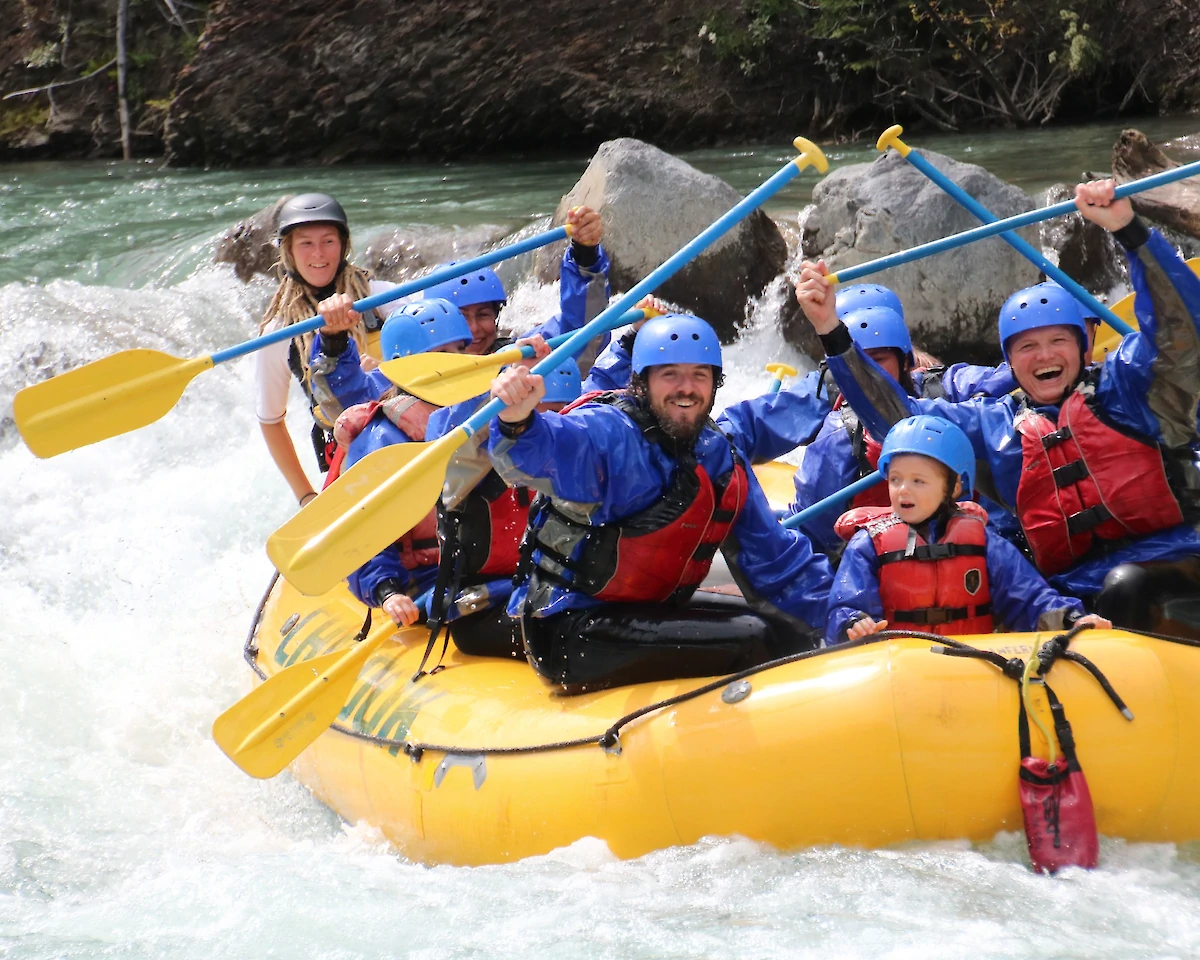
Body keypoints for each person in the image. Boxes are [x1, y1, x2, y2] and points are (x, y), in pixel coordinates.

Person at [796, 179, 1200, 637]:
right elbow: (900, 420)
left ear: (1085, 347)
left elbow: (1181, 327)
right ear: (1009, 361)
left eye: (1057, 342)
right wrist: (830, 328)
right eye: (1028, 347)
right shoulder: (996, 427)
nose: (1044, 356)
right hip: (1066, 591)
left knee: (1127, 586)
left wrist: (1129, 230)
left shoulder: (1133, 389)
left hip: (1176, 558)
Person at [487, 314, 833, 694]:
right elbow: (543, 451)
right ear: (642, 382)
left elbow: (778, 563)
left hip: (649, 609)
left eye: (700, 375)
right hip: (570, 627)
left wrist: (842, 615)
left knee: (786, 631)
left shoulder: (718, 457)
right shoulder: (609, 434)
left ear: (715, 384)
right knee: (753, 638)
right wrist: (517, 422)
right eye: (670, 374)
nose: (687, 388)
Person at [827, 415, 1111, 644]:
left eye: (918, 481)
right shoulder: (868, 545)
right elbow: (846, 603)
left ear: (955, 487)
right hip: (900, 670)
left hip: (972, 666)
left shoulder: (984, 544)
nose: (903, 490)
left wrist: (1072, 620)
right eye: (895, 479)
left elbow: (1029, 597)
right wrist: (852, 622)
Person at [788, 284, 1017, 558]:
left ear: (905, 360)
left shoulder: (947, 388)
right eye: (863, 364)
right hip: (883, 566)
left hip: (969, 559)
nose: (871, 372)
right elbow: (813, 533)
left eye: (880, 360)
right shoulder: (838, 433)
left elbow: (1002, 378)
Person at [421, 352, 580, 660]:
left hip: (553, 592)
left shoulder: (578, 452)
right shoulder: (468, 470)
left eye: (565, 414)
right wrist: (498, 393)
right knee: (574, 632)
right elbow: (456, 435)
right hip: (482, 610)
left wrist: (629, 343)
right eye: (538, 415)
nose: (553, 427)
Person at [254, 193, 395, 508]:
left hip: (410, 433)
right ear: (288, 250)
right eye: (305, 243)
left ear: (343, 245)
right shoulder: (279, 332)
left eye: (328, 241)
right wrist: (306, 496)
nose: (318, 254)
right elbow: (270, 420)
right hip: (349, 459)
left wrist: (389, 373)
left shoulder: (380, 297)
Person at [339, 301, 473, 627]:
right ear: (406, 366)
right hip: (424, 580)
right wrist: (387, 591)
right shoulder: (381, 440)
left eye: (460, 350)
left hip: (482, 564)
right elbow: (362, 532)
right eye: (443, 353)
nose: (457, 362)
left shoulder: (484, 409)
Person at [420, 206, 609, 358]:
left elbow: (584, 331)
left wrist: (585, 255)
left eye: (483, 315)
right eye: (461, 317)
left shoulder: (519, 354)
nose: (474, 328)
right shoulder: (410, 369)